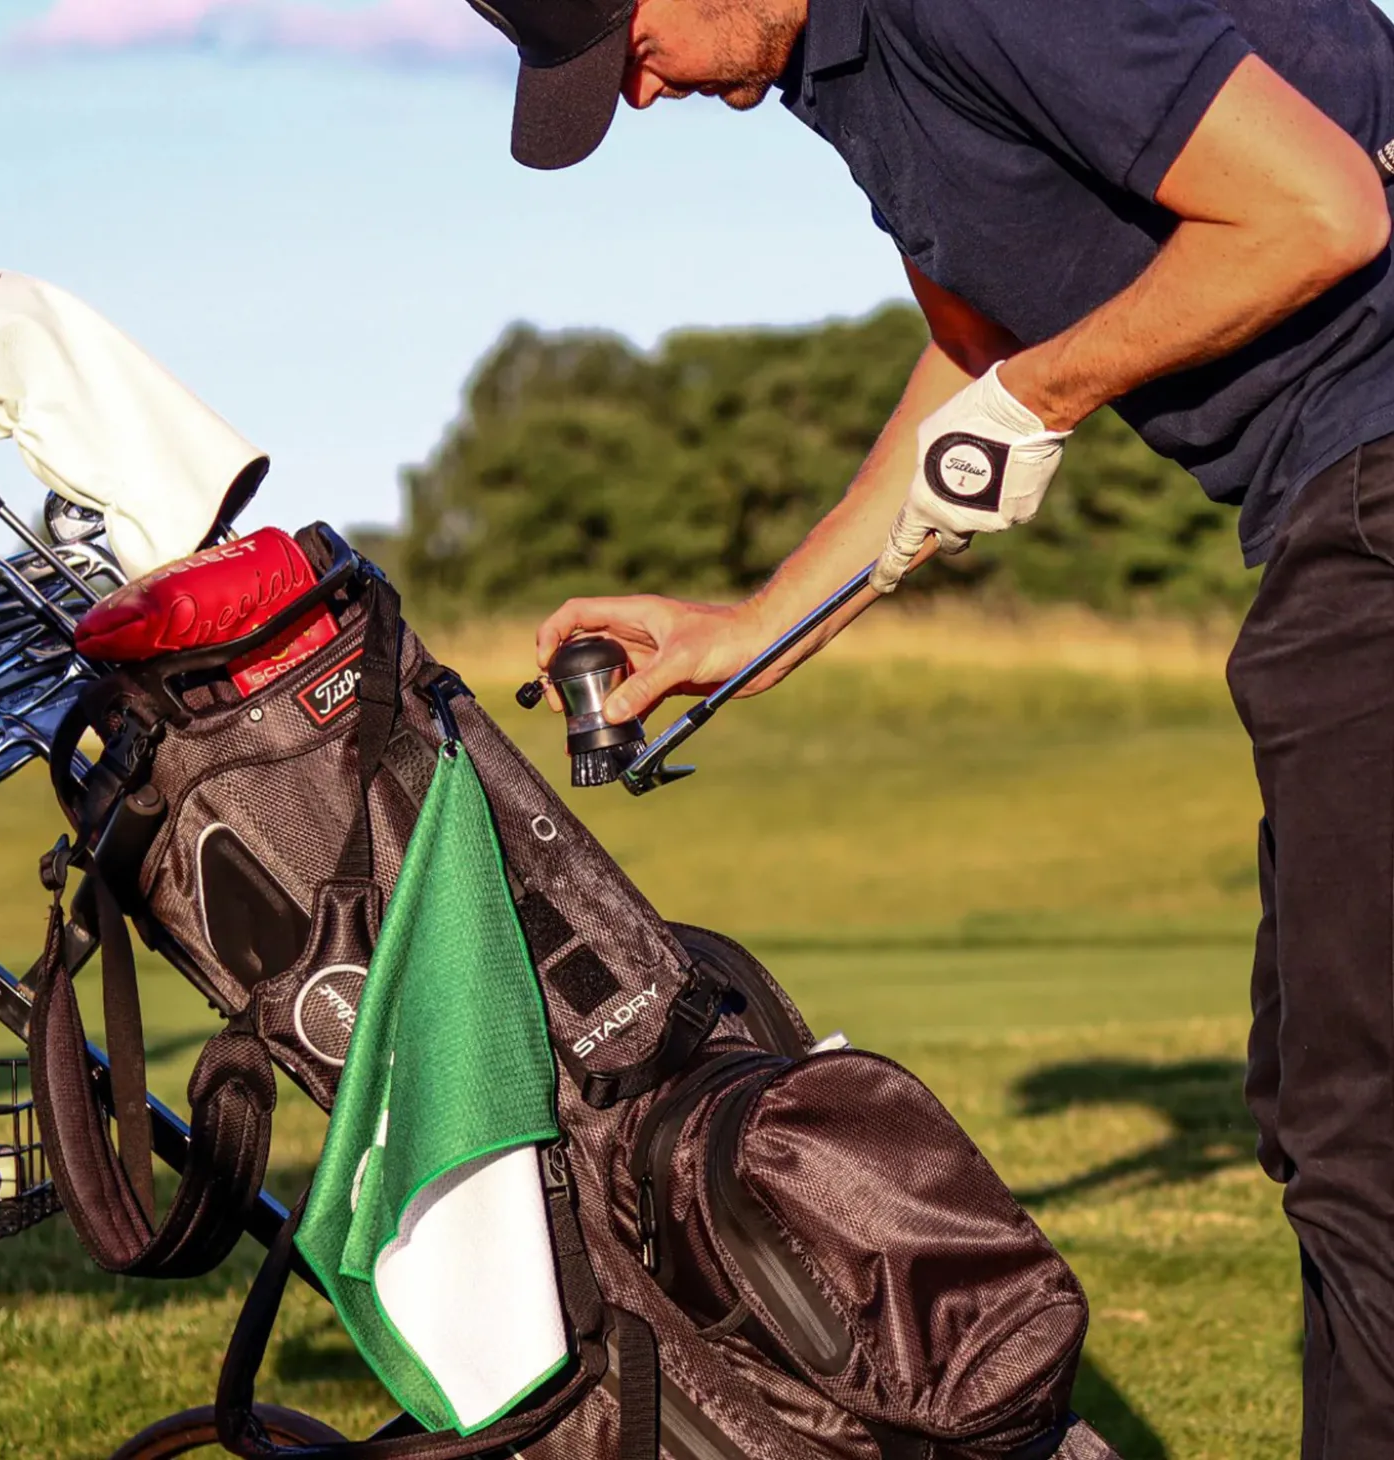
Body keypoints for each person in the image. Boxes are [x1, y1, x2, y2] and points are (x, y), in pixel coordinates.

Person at [463, 0, 1394, 1451]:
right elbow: (974, 355)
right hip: (1332, 515)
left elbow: (1318, 211)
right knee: (1317, 1108)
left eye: (628, 43)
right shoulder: (847, 75)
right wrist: (749, 628)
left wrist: (1049, 393)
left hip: (1373, 501)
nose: (637, 95)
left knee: (1363, 1127)